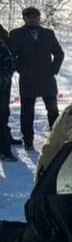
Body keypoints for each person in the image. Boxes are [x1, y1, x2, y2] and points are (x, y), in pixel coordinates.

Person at [10, 6, 64, 150]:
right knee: (27, 112)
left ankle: (56, 139)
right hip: (28, 80)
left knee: (53, 111)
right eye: (30, 17)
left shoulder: (48, 33)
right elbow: (11, 57)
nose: (33, 19)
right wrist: (23, 71)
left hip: (47, 80)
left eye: (36, 17)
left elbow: (59, 53)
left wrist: (53, 69)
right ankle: (28, 140)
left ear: (40, 18)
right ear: (25, 19)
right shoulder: (16, 34)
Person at [0, 23, 16, 161]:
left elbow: (10, 63)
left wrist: (3, 79)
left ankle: (5, 151)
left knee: (1, 119)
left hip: (1, 88)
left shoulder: (1, 45)